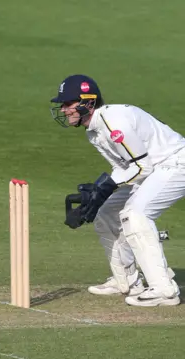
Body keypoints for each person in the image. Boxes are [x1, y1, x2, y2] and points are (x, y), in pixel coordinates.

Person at [51, 74, 184, 307]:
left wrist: (106, 187)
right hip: (153, 169)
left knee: (136, 214)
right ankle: (127, 282)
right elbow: (123, 166)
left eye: (68, 103)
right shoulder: (93, 130)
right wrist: (98, 193)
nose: (63, 109)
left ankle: (164, 290)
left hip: (175, 164)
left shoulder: (113, 121)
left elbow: (142, 166)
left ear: (88, 102)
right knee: (105, 213)